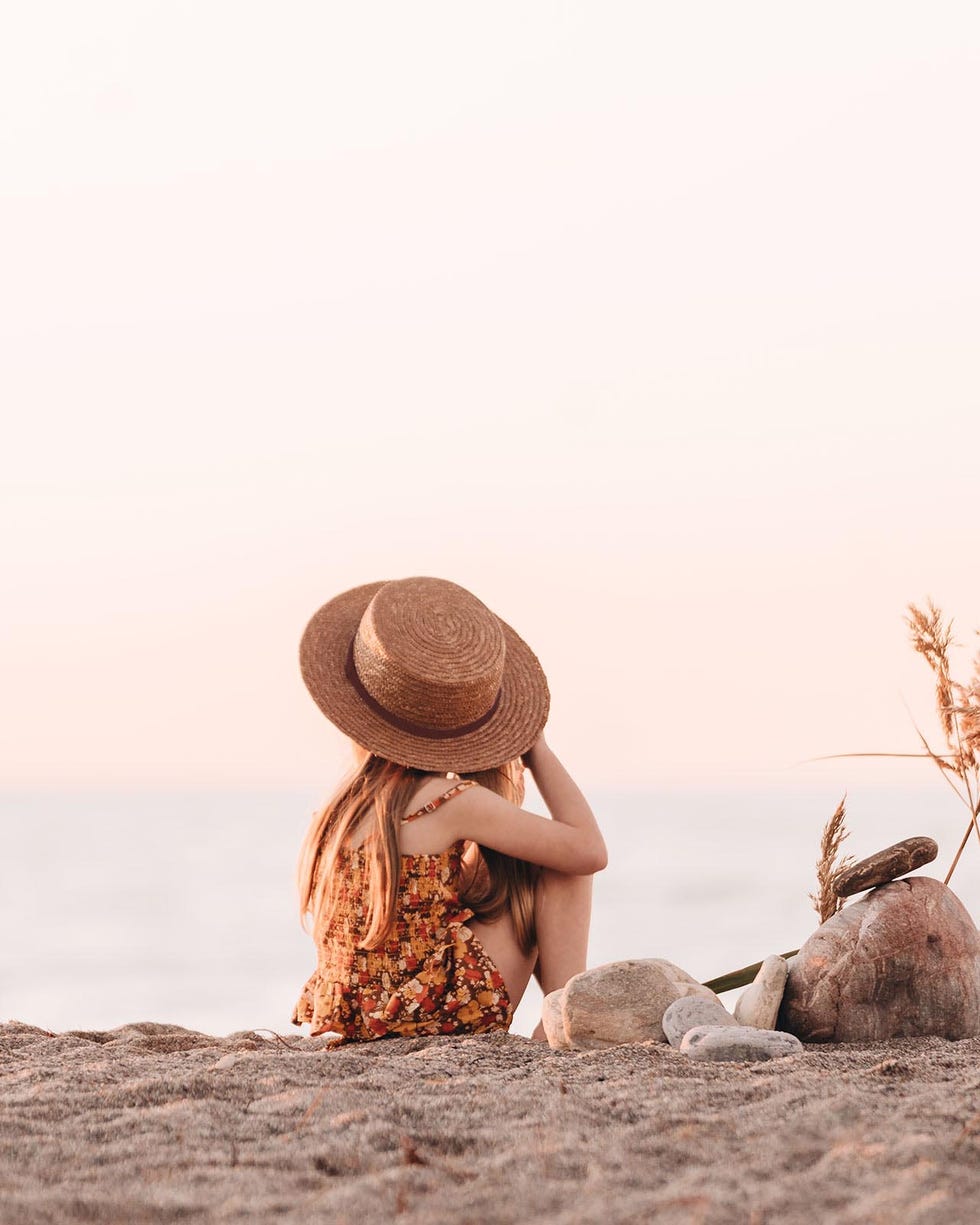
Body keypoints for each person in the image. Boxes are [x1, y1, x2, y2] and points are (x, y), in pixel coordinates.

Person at [291, 575, 606, 1042]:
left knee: (492, 871)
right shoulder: (451, 801)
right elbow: (589, 850)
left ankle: (560, 1020)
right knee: (558, 865)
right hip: (429, 1011)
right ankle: (560, 1024)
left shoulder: (343, 805)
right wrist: (535, 747)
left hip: (361, 1013)